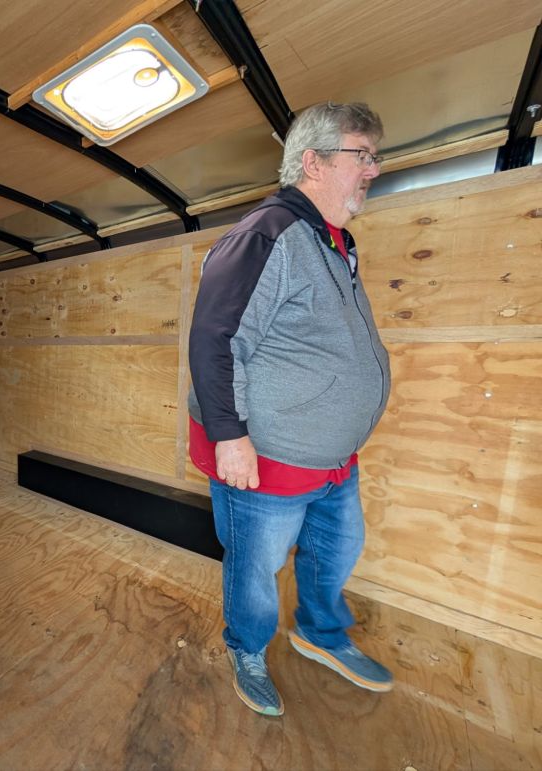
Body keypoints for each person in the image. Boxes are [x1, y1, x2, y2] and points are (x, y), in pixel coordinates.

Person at [187, 102, 393, 717]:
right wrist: (230, 437)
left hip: (333, 458)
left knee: (337, 550)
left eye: (376, 157)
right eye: (363, 155)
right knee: (256, 569)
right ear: (314, 162)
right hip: (268, 457)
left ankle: (320, 634)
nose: (374, 169)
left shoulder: (334, 243)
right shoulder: (267, 233)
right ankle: (247, 649)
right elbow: (217, 339)